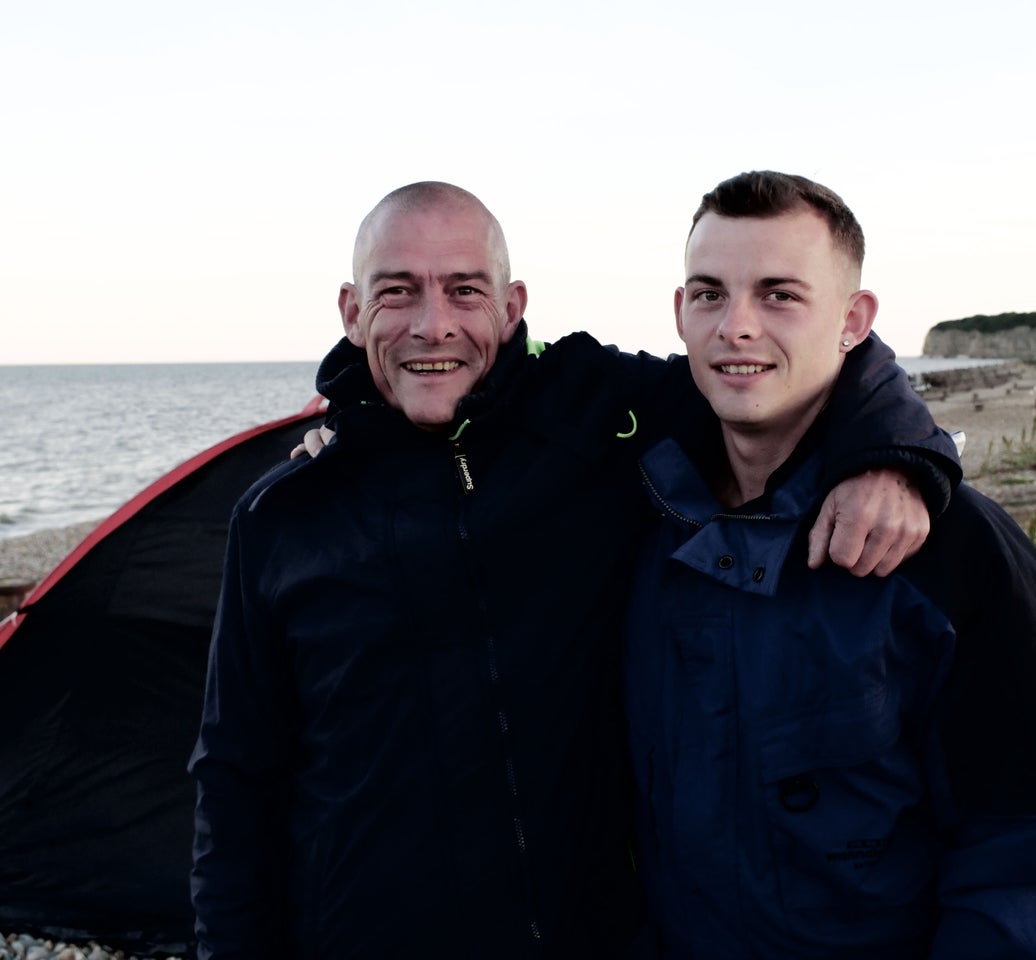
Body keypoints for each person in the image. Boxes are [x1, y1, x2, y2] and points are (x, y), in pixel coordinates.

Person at [189, 181, 963, 958]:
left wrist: (892, 454)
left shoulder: (592, 414)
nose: (435, 324)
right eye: (398, 292)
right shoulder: (284, 516)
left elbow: (773, 370)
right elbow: (234, 778)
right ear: (353, 313)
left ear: (513, 303)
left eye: (465, 289)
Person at [624, 171, 1036, 959]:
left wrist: (898, 454)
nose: (737, 327)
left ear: (854, 319)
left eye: (780, 294)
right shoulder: (639, 513)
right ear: (680, 312)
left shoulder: (953, 549)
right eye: (710, 293)